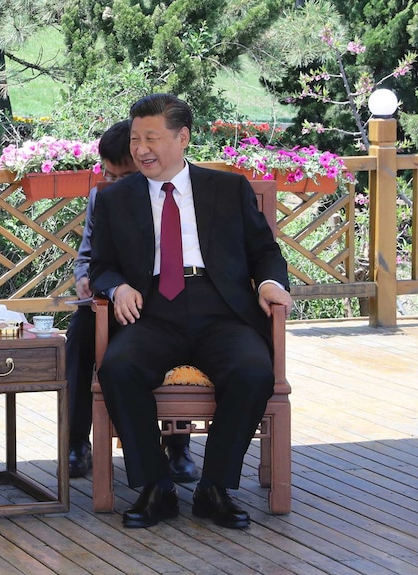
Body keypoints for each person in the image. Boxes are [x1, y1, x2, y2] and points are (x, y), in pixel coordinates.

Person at [89, 94, 292, 530]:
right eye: (136, 138)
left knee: (254, 371)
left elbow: (265, 252)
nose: (141, 148)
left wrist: (273, 284)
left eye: (152, 138)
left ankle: (214, 487)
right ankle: (156, 486)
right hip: (152, 309)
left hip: (220, 307)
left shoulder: (227, 188)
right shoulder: (114, 199)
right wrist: (116, 285)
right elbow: (99, 265)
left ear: (182, 138)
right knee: (118, 368)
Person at [66, 120, 200, 484]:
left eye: (120, 176)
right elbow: (87, 256)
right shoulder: (102, 197)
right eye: (106, 174)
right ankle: (77, 441)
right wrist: (84, 279)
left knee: (181, 323)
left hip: (162, 304)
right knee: (79, 331)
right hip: (111, 301)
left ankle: (178, 446)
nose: (111, 183)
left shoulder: (175, 196)